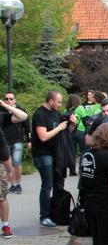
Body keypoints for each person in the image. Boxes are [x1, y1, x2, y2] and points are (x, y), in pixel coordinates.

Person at [32, 91, 77, 227]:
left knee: (59, 183)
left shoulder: (56, 113)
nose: (60, 104)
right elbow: (43, 137)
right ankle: (44, 216)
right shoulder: (39, 114)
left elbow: (66, 132)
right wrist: (58, 128)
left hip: (57, 153)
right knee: (47, 185)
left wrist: (72, 124)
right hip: (43, 153)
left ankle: (57, 212)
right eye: (58, 102)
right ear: (50, 101)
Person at [2, 92, 30, 194]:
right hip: (5, 141)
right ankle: (12, 184)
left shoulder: (20, 110)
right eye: (6, 99)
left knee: (16, 163)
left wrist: (29, 140)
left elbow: (27, 125)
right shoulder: (2, 111)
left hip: (17, 141)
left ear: (14, 100)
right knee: (8, 165)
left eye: (11, 98)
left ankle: (18, 184)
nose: (9, 100)